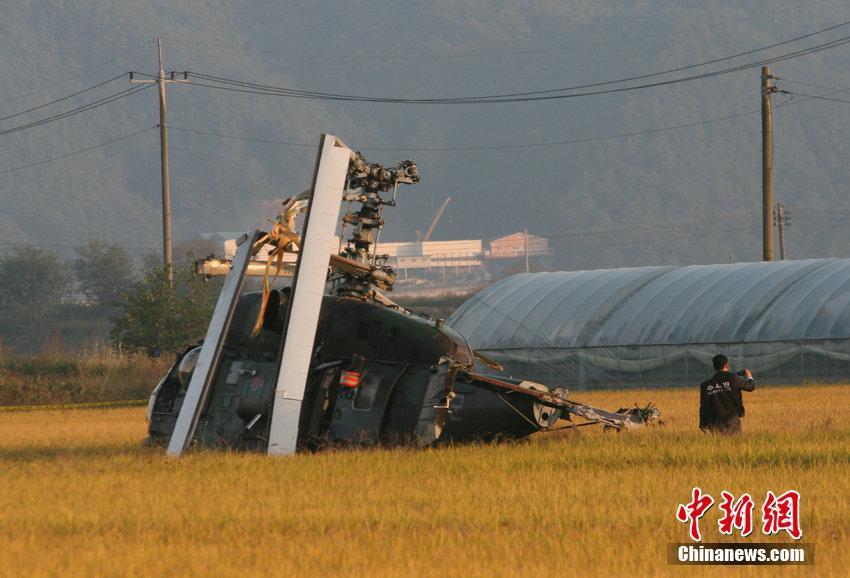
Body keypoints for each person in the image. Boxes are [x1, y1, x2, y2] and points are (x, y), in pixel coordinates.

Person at [699, 354, 756, 434]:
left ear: (714, 367)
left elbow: (703, 406)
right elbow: (751, 387)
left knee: (717, 441)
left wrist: (702, 424)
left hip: (714, 421)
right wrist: (749, 376)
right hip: (732, 420)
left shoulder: (705, 385)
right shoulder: (733, 378)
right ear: (726, 365)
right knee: (734, 441)